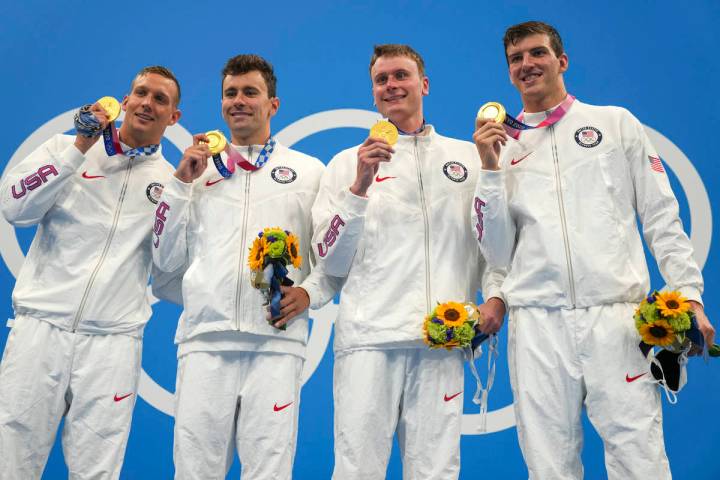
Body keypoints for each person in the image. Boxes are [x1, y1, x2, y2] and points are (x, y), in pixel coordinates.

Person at [471, 20, 715, 479]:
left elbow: (662, 216)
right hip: (539, 324)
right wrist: (487, 171)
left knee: (639, 459)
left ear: (561, 61)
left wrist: (690, 294)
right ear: (508, 74)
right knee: (549, 467)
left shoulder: (614, 123)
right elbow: (496, 252)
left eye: (537, 53)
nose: (527, 65)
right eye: (516, 59)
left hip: (615, 319)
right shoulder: (497, 147)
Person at [311, 44, 505, 479]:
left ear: (424, 84)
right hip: (369, 341)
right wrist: (359, 187)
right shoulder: (345, 164)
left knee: (436, 471)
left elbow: (493, 244)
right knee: (357, 469)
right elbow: (330, 260)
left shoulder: (468, 158)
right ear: (373, 94)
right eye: (382, 80)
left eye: (401, 75)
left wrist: (495, 296)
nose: (392, 85)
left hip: (440, 338)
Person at [152, 54, 334, 480]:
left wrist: (310, 294)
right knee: (195, 471)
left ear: (273, 104)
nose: (239, 101)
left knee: (269, 471)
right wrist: (179, 185)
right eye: (230, 93)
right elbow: (164, 259)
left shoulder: (309, 171)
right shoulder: (195, 172)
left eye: (250, 92)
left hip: (275, 345)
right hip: (204, 344)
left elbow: (331, 256)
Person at [0, 66, 182, 479]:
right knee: (10, 463)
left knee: (96, 472)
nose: (147, 104)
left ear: (174, 118)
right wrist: (78, 148)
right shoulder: (67, 148)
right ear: (125, 99)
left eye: (160, 99)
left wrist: (181, 194)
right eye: (141, 93)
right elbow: (14, 208)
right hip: (40, 330)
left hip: (112, 344)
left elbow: (170, 266)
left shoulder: (171, 184)